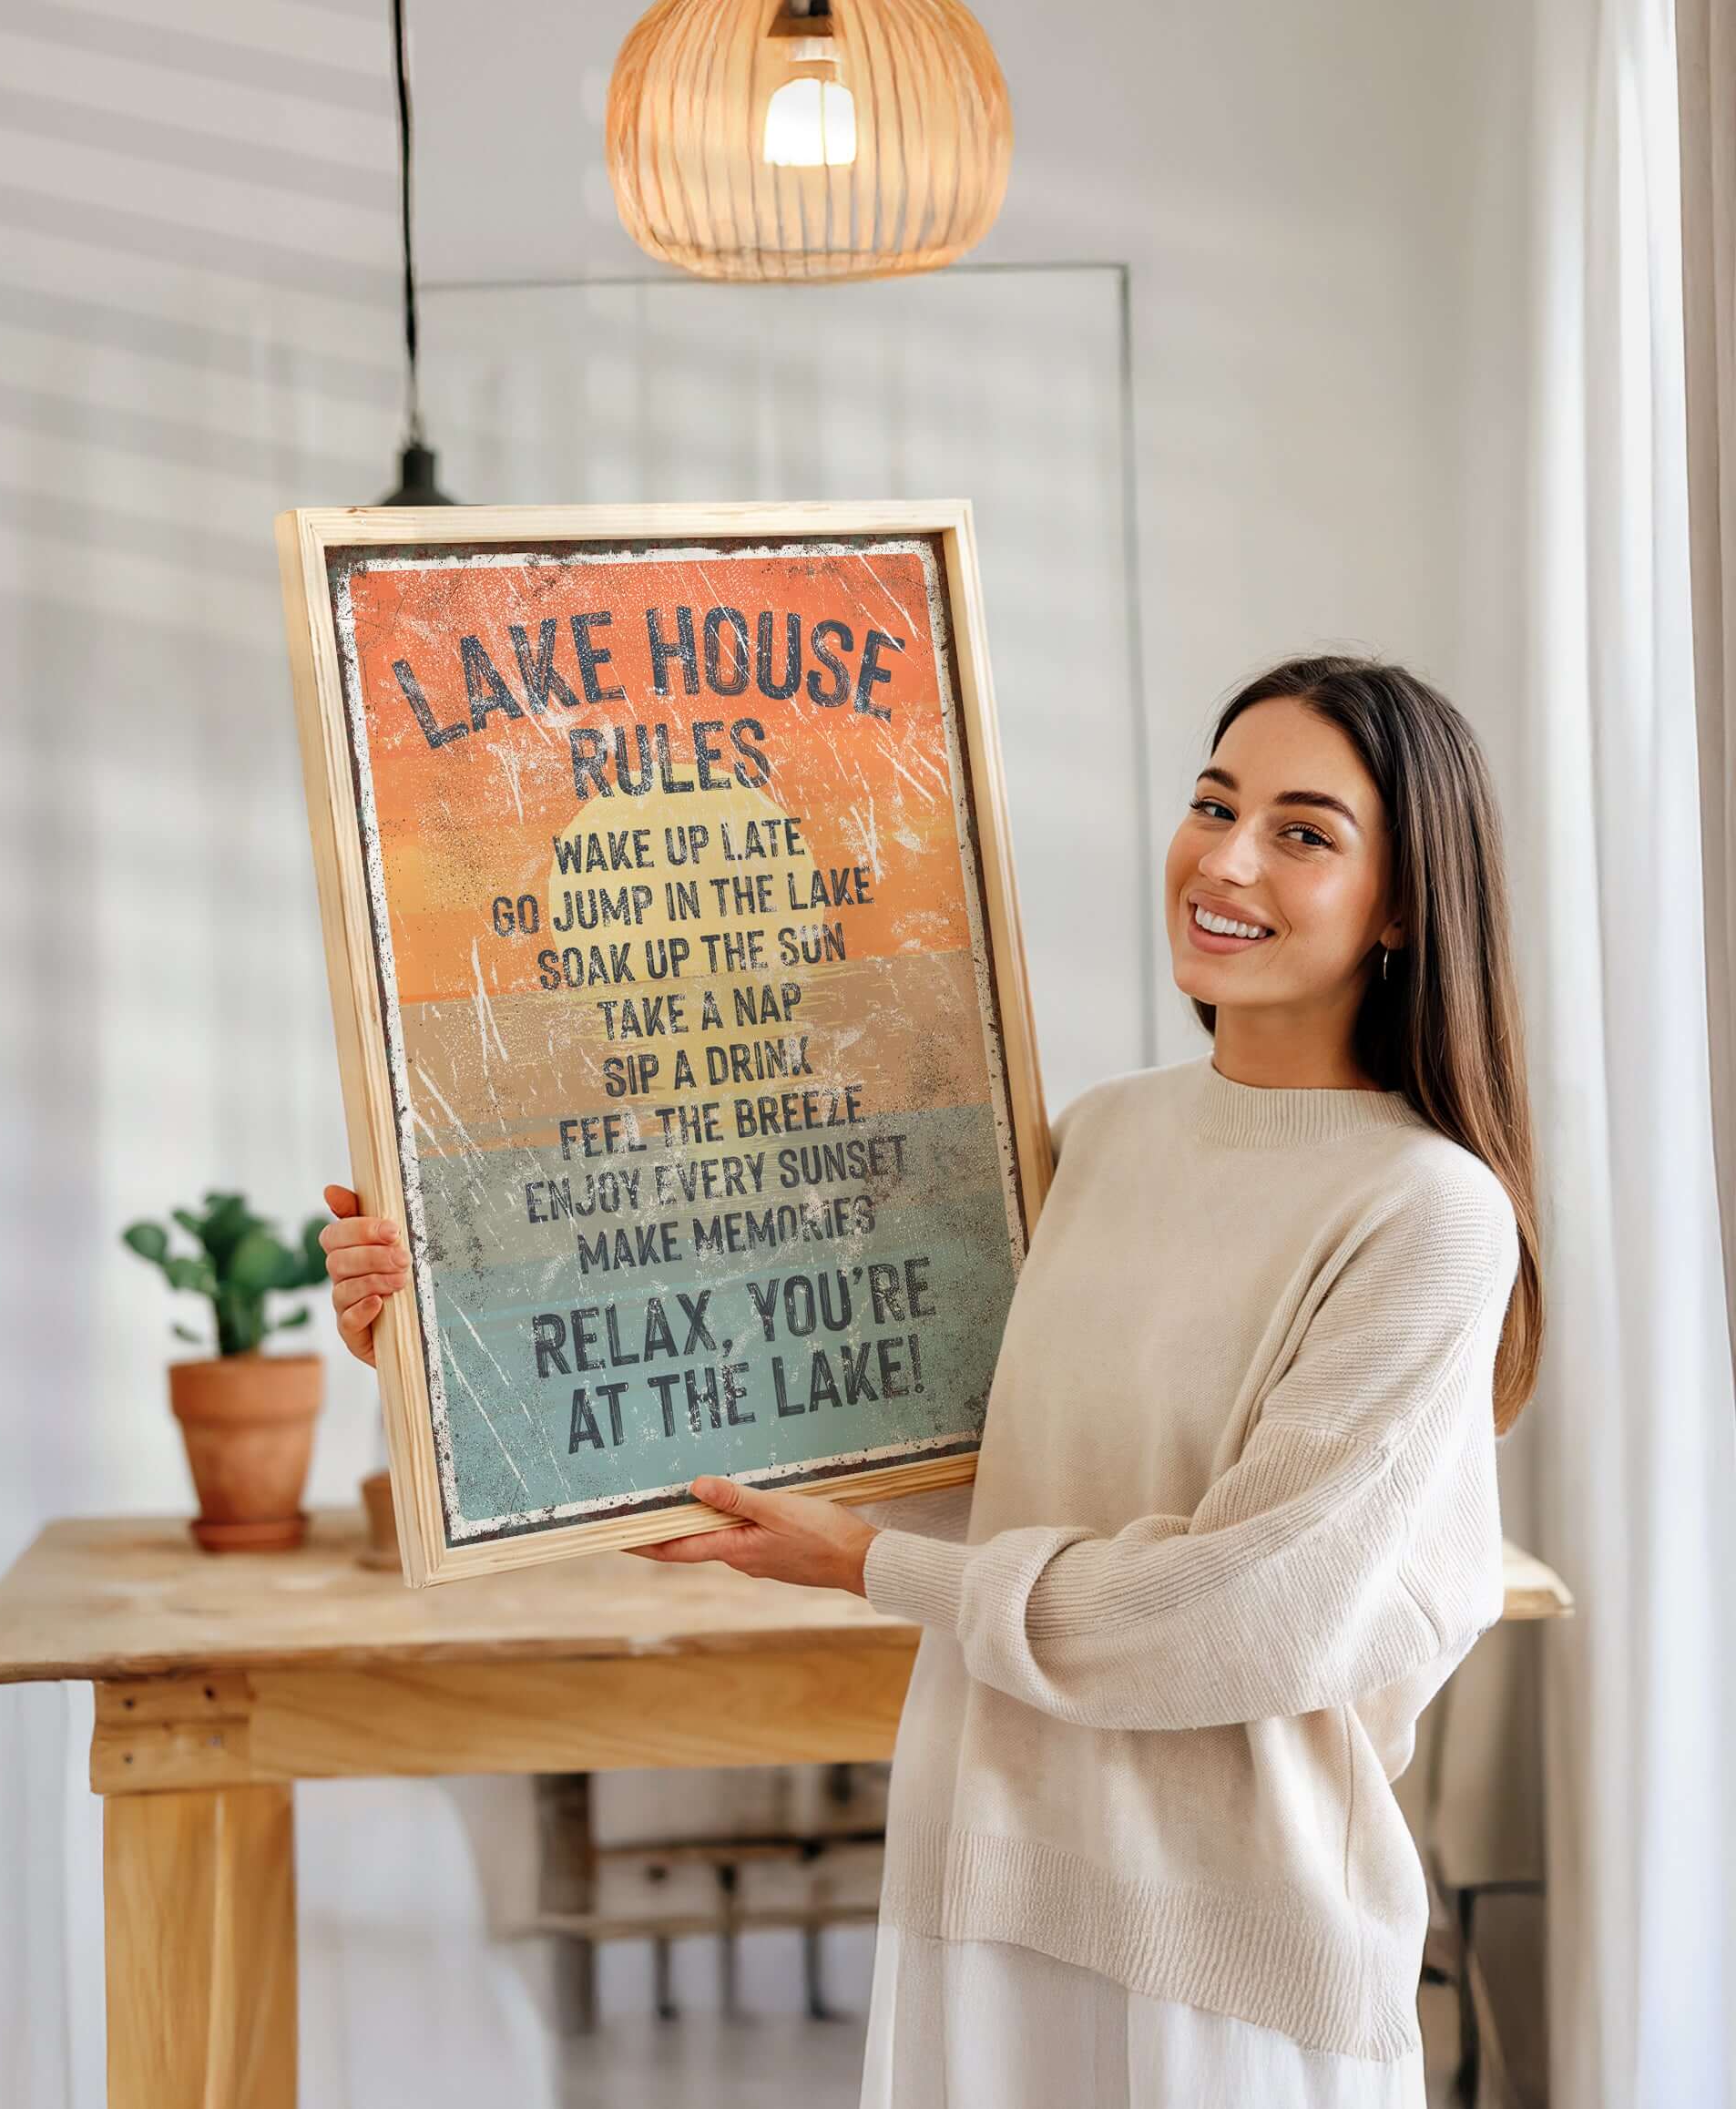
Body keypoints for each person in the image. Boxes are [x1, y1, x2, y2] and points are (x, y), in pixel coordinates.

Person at [319, 652, 1544, 2106]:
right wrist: (455, 1346)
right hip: (981, 1896)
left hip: (1231, 1960)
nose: (1225, 860)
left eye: (1303, 831)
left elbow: (1247, 1614)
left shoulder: (1429, 1211)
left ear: (1404, 902)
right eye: (1214, 804)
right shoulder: (1098, 1141)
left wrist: (876, 1571)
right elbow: (932, 1441)